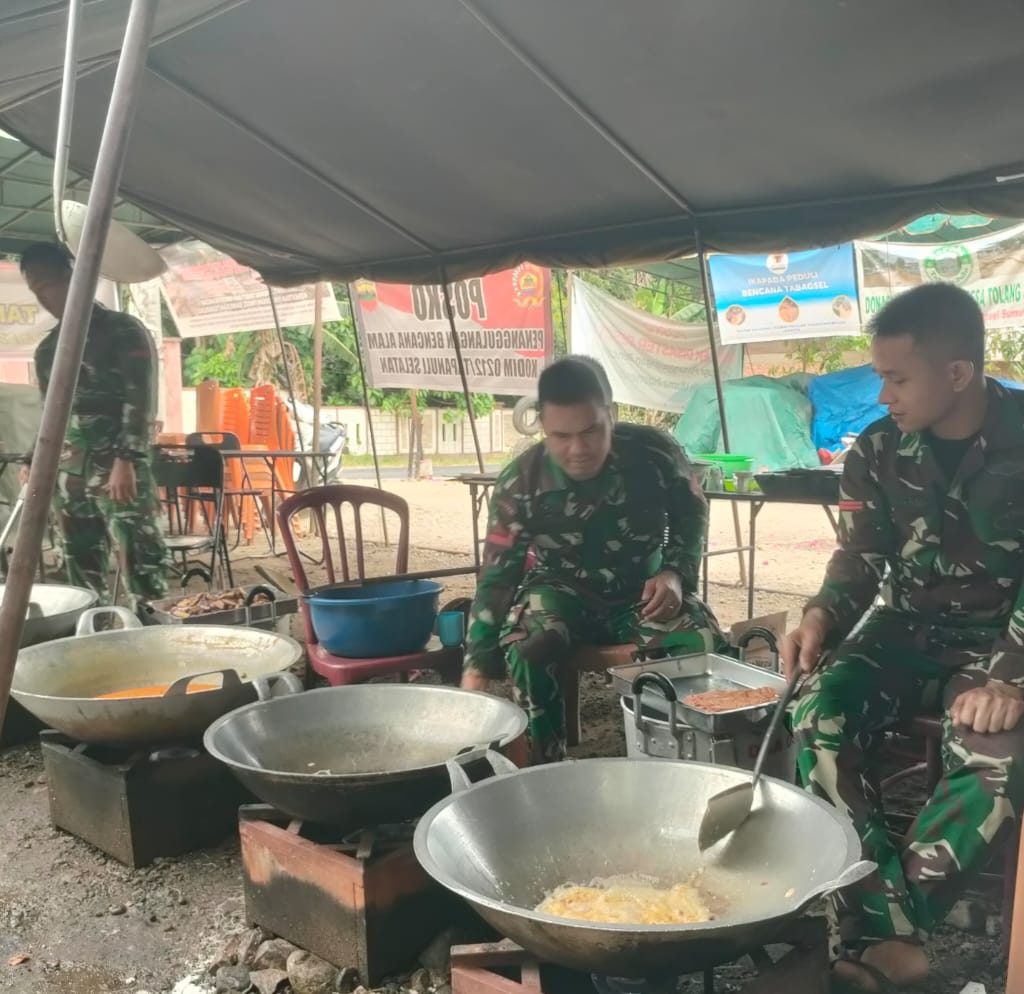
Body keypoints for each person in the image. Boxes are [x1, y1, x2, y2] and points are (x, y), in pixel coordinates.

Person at [781, 283, 1024, 992]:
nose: (883, 396)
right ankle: (899, 933)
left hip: (1001, 639)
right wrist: (821, 616)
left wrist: (1011, 676)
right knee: (816, 716)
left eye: (896, 379)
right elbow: (860, 557)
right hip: (905, 629)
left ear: (958, 372)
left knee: (1001, 756)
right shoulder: (878, 448)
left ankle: (879, 932)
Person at [461, 355, 726, 763]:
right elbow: (498, 576)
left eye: (591, 431)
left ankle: (688, 760)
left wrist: (676, 571)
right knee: (527, 642)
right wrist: (477, 667)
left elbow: (691, 510)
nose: (578, 450)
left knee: (701, 638)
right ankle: (545, 767)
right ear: (543, 427)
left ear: (611, 415)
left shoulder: (653, 452)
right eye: (561, 436)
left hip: (642, 590)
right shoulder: (521, 480)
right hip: (561, 592)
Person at [19, 242, 168, 603]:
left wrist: (126, 460)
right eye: (35, 290)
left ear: (71, 276)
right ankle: (90, 628)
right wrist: (32, 459)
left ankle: (152, 629)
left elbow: (140, 400)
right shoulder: (48, 349)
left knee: (141, 561)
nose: (43, 298)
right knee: (79, 569)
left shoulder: (123, 331)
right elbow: (51, 413)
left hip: (118, 470)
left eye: (47, 285)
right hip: (69, 473)